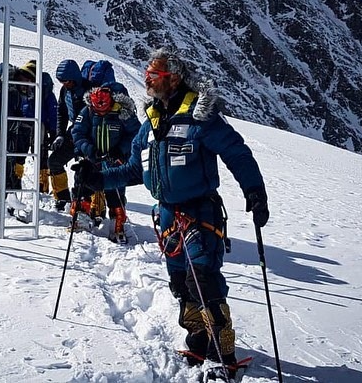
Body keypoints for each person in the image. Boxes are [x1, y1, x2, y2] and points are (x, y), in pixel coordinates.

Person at [72, 48, 270, 377]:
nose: (146, 80)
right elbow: (134, 170)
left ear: (173, 77)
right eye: (147, 74)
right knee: (181, 284)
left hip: (200, 212)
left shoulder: (200, 115)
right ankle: (198, 343)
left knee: (203, 278)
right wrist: (97, 178)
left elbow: (236, 152)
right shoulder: (149, 123)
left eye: (153, 75)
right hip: (166, 217)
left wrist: (255, 192)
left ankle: (223, 354)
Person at [71, 83, 140, 242]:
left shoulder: (124, 113)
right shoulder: (87, 111)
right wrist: (89, 149)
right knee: (82, 184)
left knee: (115, 189)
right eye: (97, 108)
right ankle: (81, 217)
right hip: (92, 158)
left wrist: (121, 149)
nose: (100, 111)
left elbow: (136, 133)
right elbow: (77, 133)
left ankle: (117, 223)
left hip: (114, 158)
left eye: (104, 107)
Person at [0, 60, 37, 213]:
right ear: (19, 75)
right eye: (26, 79)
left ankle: (7, 206)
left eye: (31, 82)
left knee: (9, 170)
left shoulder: (16, 93)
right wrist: (6, 121)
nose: (27, 85)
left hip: (6, 137)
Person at [48, 59, 93, 210]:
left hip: (89, 135)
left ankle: (85, 205)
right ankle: (63, 199)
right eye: (61, 81)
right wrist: (60, 134)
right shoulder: (65, 91)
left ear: (75, 77)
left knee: (84, 169)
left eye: (66, 81)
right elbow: (61, 112)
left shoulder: (90, 89)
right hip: (73, 133)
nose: (64, 84)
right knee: (54, 161)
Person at [22, 70, 59, 194]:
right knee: (41, 154)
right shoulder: (47, 93)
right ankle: (42, 185)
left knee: (24, 152)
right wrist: (53, 130)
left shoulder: (28, 89)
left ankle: (16, 182)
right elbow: (53, 113)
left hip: (24, 122)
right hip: (40, 124)